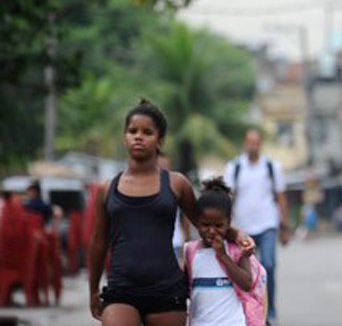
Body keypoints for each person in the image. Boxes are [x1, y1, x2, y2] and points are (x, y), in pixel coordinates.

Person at [88, 99, 254, 326]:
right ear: (124, 137)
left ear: (160, 140)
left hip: (166, 291)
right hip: (121, 290)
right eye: (132, 131)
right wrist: (93, 290)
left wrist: (235, 235)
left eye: (147, 132)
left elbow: (204, 222)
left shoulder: (177, 184)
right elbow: (98, 243)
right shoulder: (107, 189)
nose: (139, 136)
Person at [224, 128, 290, 323]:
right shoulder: (234, 167)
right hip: (242, 228)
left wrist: (284, 227)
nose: (253, 146)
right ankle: (249, 307)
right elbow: (227, 199)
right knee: (244, 272)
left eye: (256, 142)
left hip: (267, 224)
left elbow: (281, 197)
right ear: (245, 143)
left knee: (268, 265)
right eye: (249, 142)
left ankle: (270, 311)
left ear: (260, 144)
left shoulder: (271, 167)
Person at [184, 177, 266, 326]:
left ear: (229, 223)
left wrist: (223, 256)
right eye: (205, 225)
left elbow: (247, 284)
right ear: (197, 221)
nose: (211, 231)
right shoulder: (190, 251)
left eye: (219, 225)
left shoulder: (235, 248)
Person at [156, 154, 191, 264]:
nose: (163, 171)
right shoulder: (145, 189)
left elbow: (185, 216)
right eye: (159, 167)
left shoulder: (177, 187)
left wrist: (186, 240)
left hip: (175, 243)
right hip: (153, 245)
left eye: (166, 167)